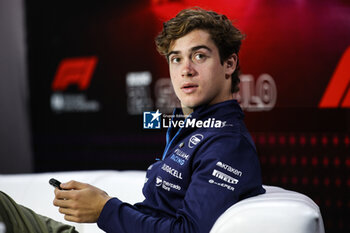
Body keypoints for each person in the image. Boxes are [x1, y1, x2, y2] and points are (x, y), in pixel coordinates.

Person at [0, 7, 265, 233]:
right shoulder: (194, 127)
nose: (186, 70)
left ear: (229, 64)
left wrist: (105, 209)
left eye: (199, 56)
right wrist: (104, 202)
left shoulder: (228, 144)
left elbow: (188, 231)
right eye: (176, 59)